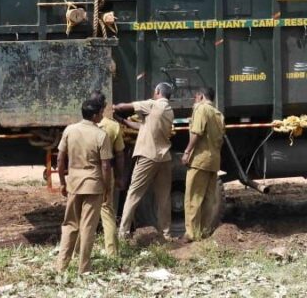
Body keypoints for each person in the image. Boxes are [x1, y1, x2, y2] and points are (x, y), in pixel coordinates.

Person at [55, 97, 113, 274]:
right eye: (101, 113)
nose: (102, 116)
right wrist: (106, 187)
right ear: (95, 115)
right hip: (93, 185)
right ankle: (84, 268)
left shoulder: (69, 130)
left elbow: (60, 159)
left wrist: (63, 183)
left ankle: (61, 267)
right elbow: (105, 166)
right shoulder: (101, 135)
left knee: (70, 225)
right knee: (88, 227)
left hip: (73, 184)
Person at [114, 82, 175, 242]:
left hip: (148, 155)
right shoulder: (168, 110)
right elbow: (143, 126)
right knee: (164, 197)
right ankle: (165, 234)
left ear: (157, 92)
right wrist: (124, 122)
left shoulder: (152, 105)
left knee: (134, 193)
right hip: (164, 157)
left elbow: (124, 106)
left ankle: (123, 233)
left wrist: (113, 108)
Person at [84, 90, 126, 256]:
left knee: (85, 214)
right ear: (104, 107)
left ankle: (79, 252)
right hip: (106, 173)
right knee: (107, 213)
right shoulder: (113, 126)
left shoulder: (78, 127)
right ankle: (112, 253)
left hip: (86, 174)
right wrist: (120, 177)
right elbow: (120, 155)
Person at [181, 87, 225, 242]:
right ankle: (204, 232)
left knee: (192, 197)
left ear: (200, 96)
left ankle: (192, 234)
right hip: (213, 161)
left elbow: (197, 133)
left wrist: (187, 152)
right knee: (208, 199)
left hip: (199, 160)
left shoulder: (201, 109)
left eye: (195, 98)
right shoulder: (219, 114)